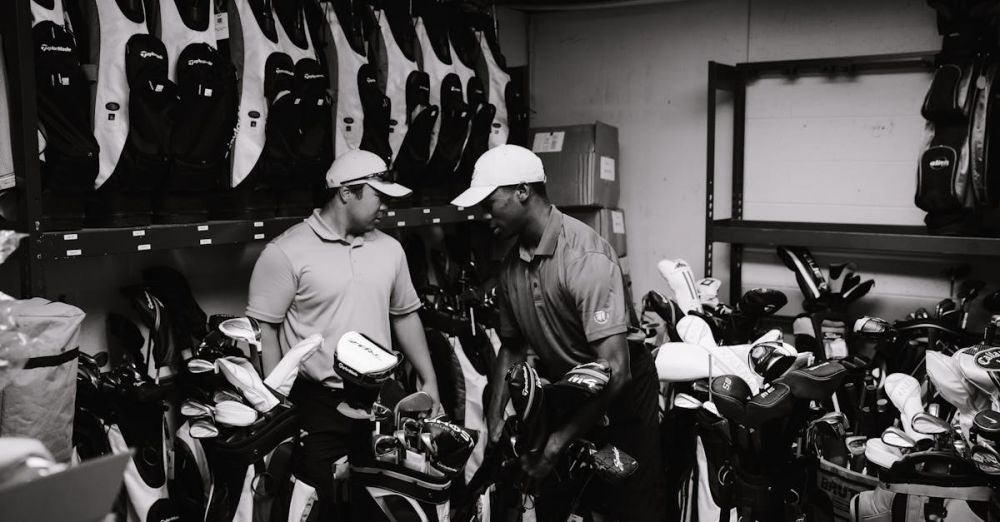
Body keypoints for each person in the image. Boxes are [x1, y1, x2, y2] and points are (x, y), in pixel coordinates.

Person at [451, 144, 667, 521]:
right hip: (569, 389)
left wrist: (555, 445)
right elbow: (512, 347)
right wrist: (495, 415)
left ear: (523, 191)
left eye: (491, 201)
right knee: (558, 502)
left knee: (628, 507)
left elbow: (616, 370)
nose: (484, 214)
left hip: (622, 394)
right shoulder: (509, 268)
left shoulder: (584, 257)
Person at [246, 149, 441, 520]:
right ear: (346, 192)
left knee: (389, 501)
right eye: (379, 196)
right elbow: (264, 330)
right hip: (316, 403)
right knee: (317, 504)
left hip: (382, 398)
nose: (385, 206)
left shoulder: (391, 249)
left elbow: (405, 315)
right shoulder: (286, 251)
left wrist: (429, 380)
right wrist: (276, 404)